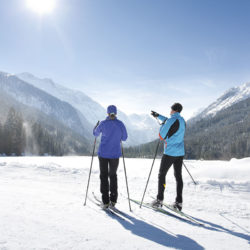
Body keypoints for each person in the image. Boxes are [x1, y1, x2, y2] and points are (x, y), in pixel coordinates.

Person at [151, 103, 186, 211]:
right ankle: (179, 203)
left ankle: (159, 200)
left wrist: (162, 125)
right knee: (178, 177)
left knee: (162, 175)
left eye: (170, 109)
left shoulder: (171, 120)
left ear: (173, 110)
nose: (170, 110)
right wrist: (158, 116)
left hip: (170, 152)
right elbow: (169, 120)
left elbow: (161, 136)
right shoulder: (182, 120)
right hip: (180, 153)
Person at [93, 105, 128, 209]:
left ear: (107, 113)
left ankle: (105, 201)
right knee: (112, 176)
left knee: (104, 176)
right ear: (116, 113)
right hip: (115, 155)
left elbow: (95, 134)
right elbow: (125, 138)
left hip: (103, 154)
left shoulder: (103, 124)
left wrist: (95, 127)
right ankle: (113, 200)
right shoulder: (120, 124)